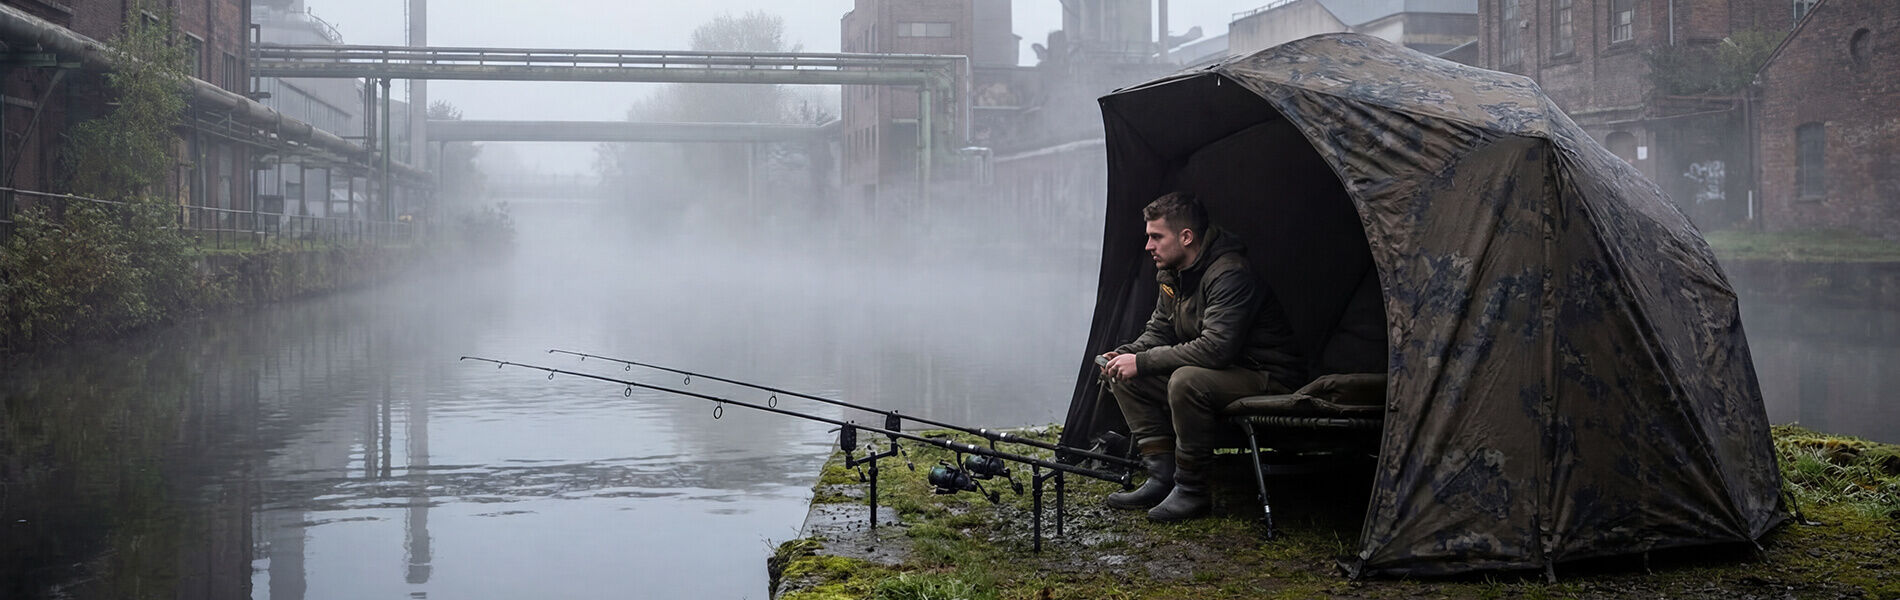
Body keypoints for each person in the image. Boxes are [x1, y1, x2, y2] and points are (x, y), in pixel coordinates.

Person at [1098, 191, 1305, 522]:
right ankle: (1160, 476)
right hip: (1222, 372)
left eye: (1156, 237)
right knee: (1123, 374)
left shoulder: (1230, 273)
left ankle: (1192, 490)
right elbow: (1160, 331)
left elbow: (1216, 348)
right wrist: (1126, 355)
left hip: (1266, 375)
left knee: (1186, 380)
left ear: (1186, 237)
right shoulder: (1174, 273)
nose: (1148, 246)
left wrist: (1143, 362)